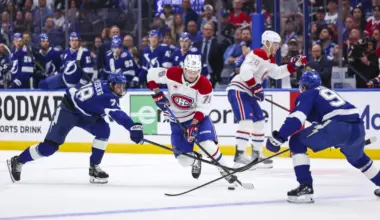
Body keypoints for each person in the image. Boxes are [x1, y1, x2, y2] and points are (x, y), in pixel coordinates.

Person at [7, 73, 144, 184]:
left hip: (86, 113)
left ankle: (94, 167)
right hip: (68, 111)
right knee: (49, 148)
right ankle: (18, 160)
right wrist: (133, 127)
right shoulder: (106, 97)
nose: (121, 89)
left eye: (122, 86)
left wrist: (132, 127)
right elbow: (119, 115)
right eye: (118, 87)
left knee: (103, 130)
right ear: (111, 85)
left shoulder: (105, 85)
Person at [266, 71, 380, 203]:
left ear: (303, 87)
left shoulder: (309, 93)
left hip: (337, 126)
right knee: (359, 159)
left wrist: (279, 138)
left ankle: (305, 187)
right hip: (358, 127)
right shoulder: (326, 92)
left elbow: (296, 119)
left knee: (297, 142)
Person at [146, 54, 238, 187]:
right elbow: (151, 75)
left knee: (208, 145)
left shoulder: (205, 84)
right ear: (184, 68)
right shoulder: (172, 73)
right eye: (189, 71)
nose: (191, 74)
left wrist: (194, 124)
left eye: (195, 71)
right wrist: (157, 93)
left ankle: (224, 170)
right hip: (176, 120)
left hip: (197, 118)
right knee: (184, 161)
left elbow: (203, 107)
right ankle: (196, 160)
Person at [226, 30, 307, 168]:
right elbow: (245, 71)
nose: (277, 47)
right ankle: (240, 155)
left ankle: (256, 156)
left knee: (259, 123)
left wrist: (294, 65)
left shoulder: (269, 58)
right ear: (267, 43)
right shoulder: (258, 54)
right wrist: (256, 87)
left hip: (248, 92)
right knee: (246, 121)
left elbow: (276, 73)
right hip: (239, 90)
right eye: (275, 44)